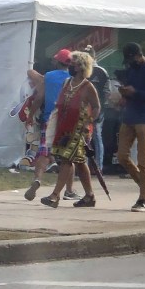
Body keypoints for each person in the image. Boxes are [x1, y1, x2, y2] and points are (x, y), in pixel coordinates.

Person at [40, 51, 101, 208]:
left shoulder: (88, 86)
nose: (70, 67)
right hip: (64, 128)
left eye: (73, 64)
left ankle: (55, 196)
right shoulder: (67, 82)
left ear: (80, 67)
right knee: (80, 163)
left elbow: (96, 107)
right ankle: (89, 196)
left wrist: (88, 123)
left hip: (78, 129)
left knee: (67, 160)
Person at [117, 42, 145, 212]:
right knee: (122, 156)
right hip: (130, 115)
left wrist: (135, 93)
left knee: (143, 158)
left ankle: (143, 198)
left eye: (131, 59)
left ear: (138, 55)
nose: (129, 63)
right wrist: (124, 95)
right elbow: (130, 90)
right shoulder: (131, 70)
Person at [24, 49, 73, 201]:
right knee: (68, 157)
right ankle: (69, 190)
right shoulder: (74, 78)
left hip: (49, 118)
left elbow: (39, 98)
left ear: (58, 62)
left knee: (43, 152)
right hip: (68, 120)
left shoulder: (49, 76)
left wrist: (30, 115)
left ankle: (37, 179)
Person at [85, 45, 110, 172]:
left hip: (97, 109)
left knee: (96, 135)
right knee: (85, 137)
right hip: (83, 109)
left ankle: (98, 166)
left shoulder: (101, 71)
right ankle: (84, 166)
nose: (87, 57)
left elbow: (107, 92)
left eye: (89, 55)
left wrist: (101, 108)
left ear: (94, 56)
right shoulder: (82, 70)